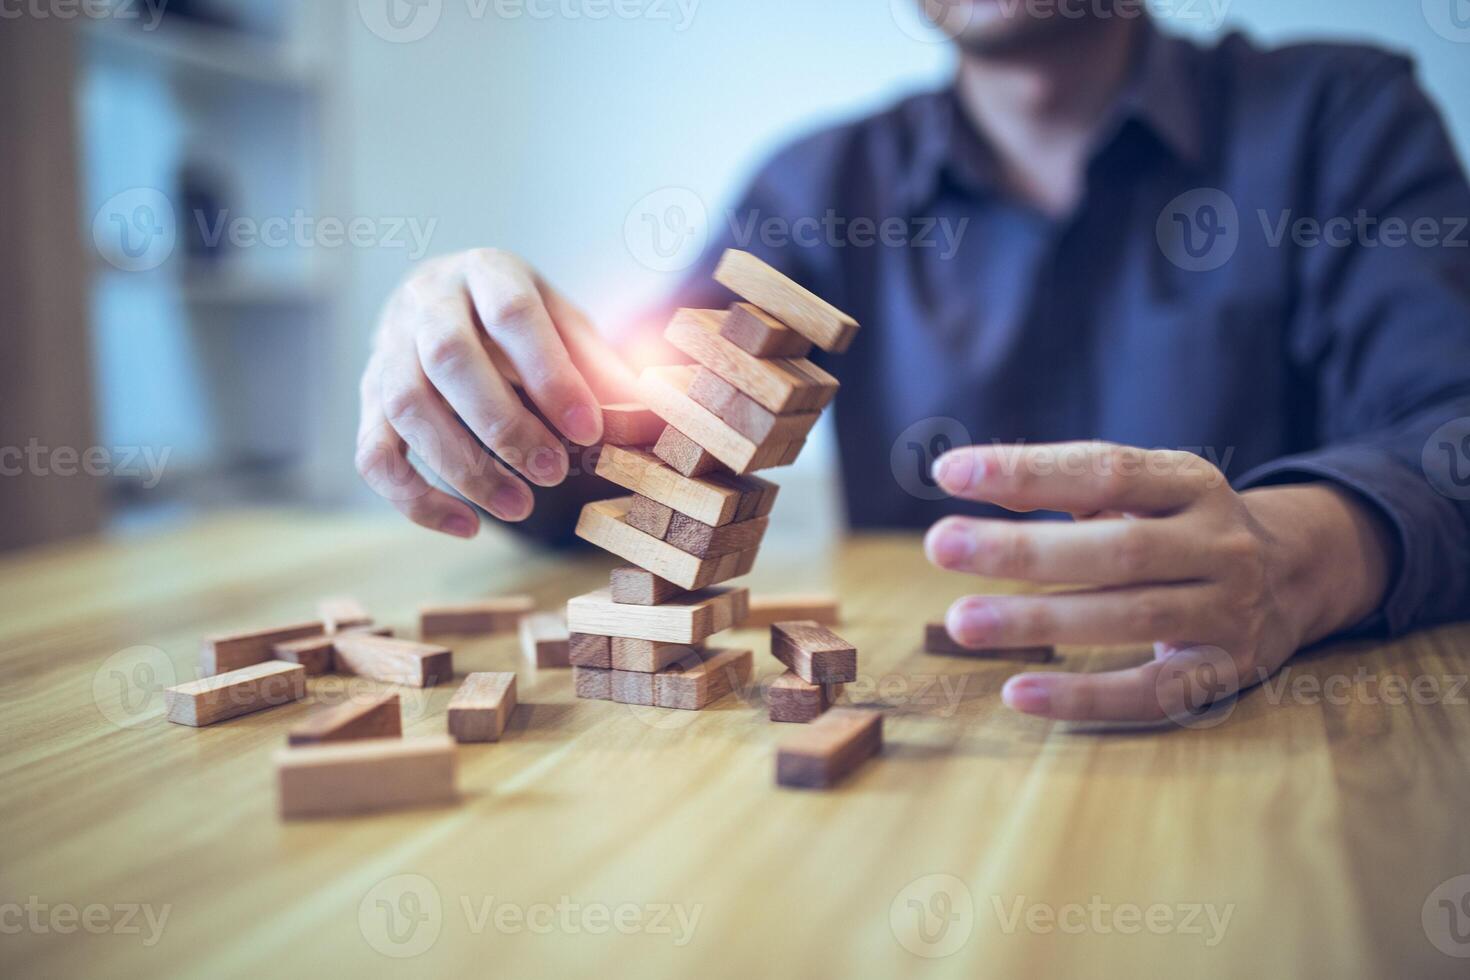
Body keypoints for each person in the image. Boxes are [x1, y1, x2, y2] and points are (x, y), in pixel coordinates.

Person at [353, 3, 1470, 724]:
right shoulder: (814, 187)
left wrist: (1312, 551)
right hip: (933, 750)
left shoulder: (1345, 116)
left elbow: (1452, 429)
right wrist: (499, 376)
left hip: (1283, 742)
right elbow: (635, 475)